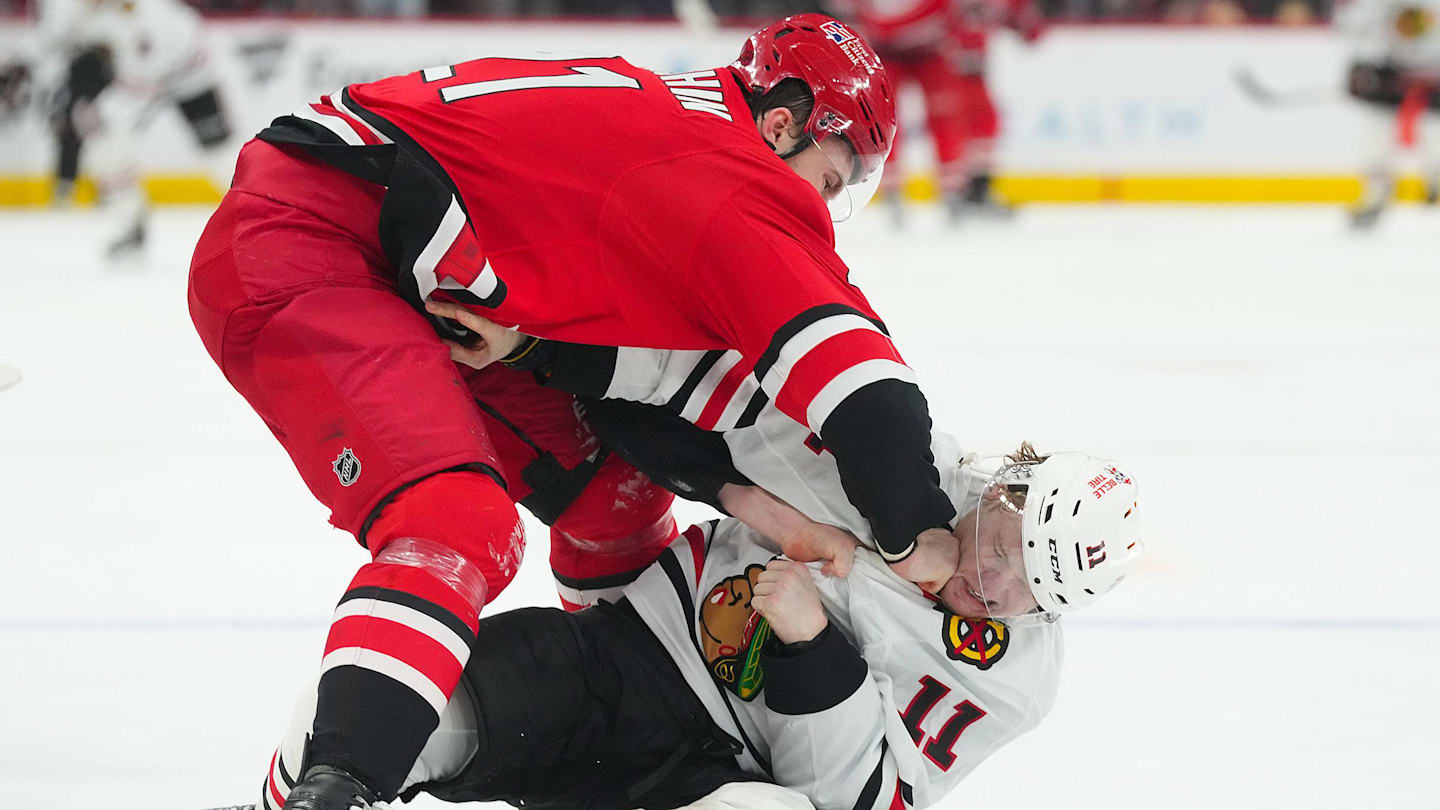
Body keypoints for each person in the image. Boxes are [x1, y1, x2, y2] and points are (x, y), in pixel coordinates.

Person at [189, 15, 971, 809]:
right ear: (782, 125)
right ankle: (332, 791)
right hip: (311, 241)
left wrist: (751, 503)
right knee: (458, 524)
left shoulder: (676, 124)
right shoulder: (734, 176)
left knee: (614, 496)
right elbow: (866, 395)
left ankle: (622, 717)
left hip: (412, 267)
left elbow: (637, 400)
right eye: (831, 180)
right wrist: (919, 532)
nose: (823, 209)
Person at [263, 441, 1144, 810]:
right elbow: (702, 419)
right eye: (1003, 547)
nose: (991, 586)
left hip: (712, 773)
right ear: (998, 492)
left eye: (1031, 592)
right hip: (619, 659)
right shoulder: (895, 456)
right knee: (375, 712)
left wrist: (814, 652)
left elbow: (857, 799)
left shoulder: (1011, 681)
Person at [25, 0, 233, 258]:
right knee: (103, 138)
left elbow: (152, 61)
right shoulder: (65, 7)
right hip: (132, 69)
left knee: (219, 152)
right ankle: (130, 221)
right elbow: (54, 43)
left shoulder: (150, 12)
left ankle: (260, 208)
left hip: (186, 71)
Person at [833, 0, 1042, 224]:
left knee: (952, 118)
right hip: (893, 48)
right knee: (884, 120)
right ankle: (897, 192)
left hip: (931, 49)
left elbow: (1019, 19)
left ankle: (958, 191)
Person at [1336, 0, 1440, 228]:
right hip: (1392, 78)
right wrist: (1362, 68)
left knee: (1435, 138)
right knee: (1376, 140)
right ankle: (1377, 194)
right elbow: (1350, 25)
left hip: (1434, 83)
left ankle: (1434, 181)